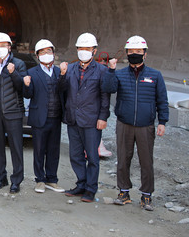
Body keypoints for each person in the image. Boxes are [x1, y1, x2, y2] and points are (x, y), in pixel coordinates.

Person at [102, 36, 169, 211]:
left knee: (146, 161)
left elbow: (162, 100)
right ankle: (124, 192)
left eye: (138, 52)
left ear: (145, 54)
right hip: (124, 124)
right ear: (126, 53)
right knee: (123, 159)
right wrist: (110, 70)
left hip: (146, 126)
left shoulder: (155, 75)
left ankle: (146, 195)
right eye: (131, 52)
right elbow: (109, 89)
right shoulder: (120, 73)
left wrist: (162, 122)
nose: (134, 54)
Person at [58, 32, 110, 203]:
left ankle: (91, 189)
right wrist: (63, 75)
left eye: (87, 48)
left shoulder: (102, 71)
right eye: (81, 48)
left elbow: (105, 96)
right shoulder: (70, 69)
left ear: (94, 51)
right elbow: (62, 90)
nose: (83, 51)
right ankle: (81, 183)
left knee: (93, 157)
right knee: (75, 155)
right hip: (73, 119)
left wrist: (103, 117)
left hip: (91, 120)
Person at [23, 39, 66, 194]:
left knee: (54, 150)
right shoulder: (32, 73)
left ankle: (52, 179)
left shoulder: (58, 71)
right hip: (40, 118)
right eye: (42, 52)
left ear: (53, 54)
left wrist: (62, 75)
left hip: (55, 117)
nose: (46, 54)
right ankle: (40, 179)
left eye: (49, 51)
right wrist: (26, 85)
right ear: (37, 55)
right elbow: (28, 94)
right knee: (39, 150)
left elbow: (63, 89)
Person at [0, 32, 27, 193]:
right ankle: (0, 178)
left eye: (3, 45)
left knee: (16, 148)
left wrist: (13, 73)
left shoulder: (18, 64)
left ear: (9, 47)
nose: (0, 48)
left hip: (13, 111)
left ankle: (16, 181)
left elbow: (22, 87)